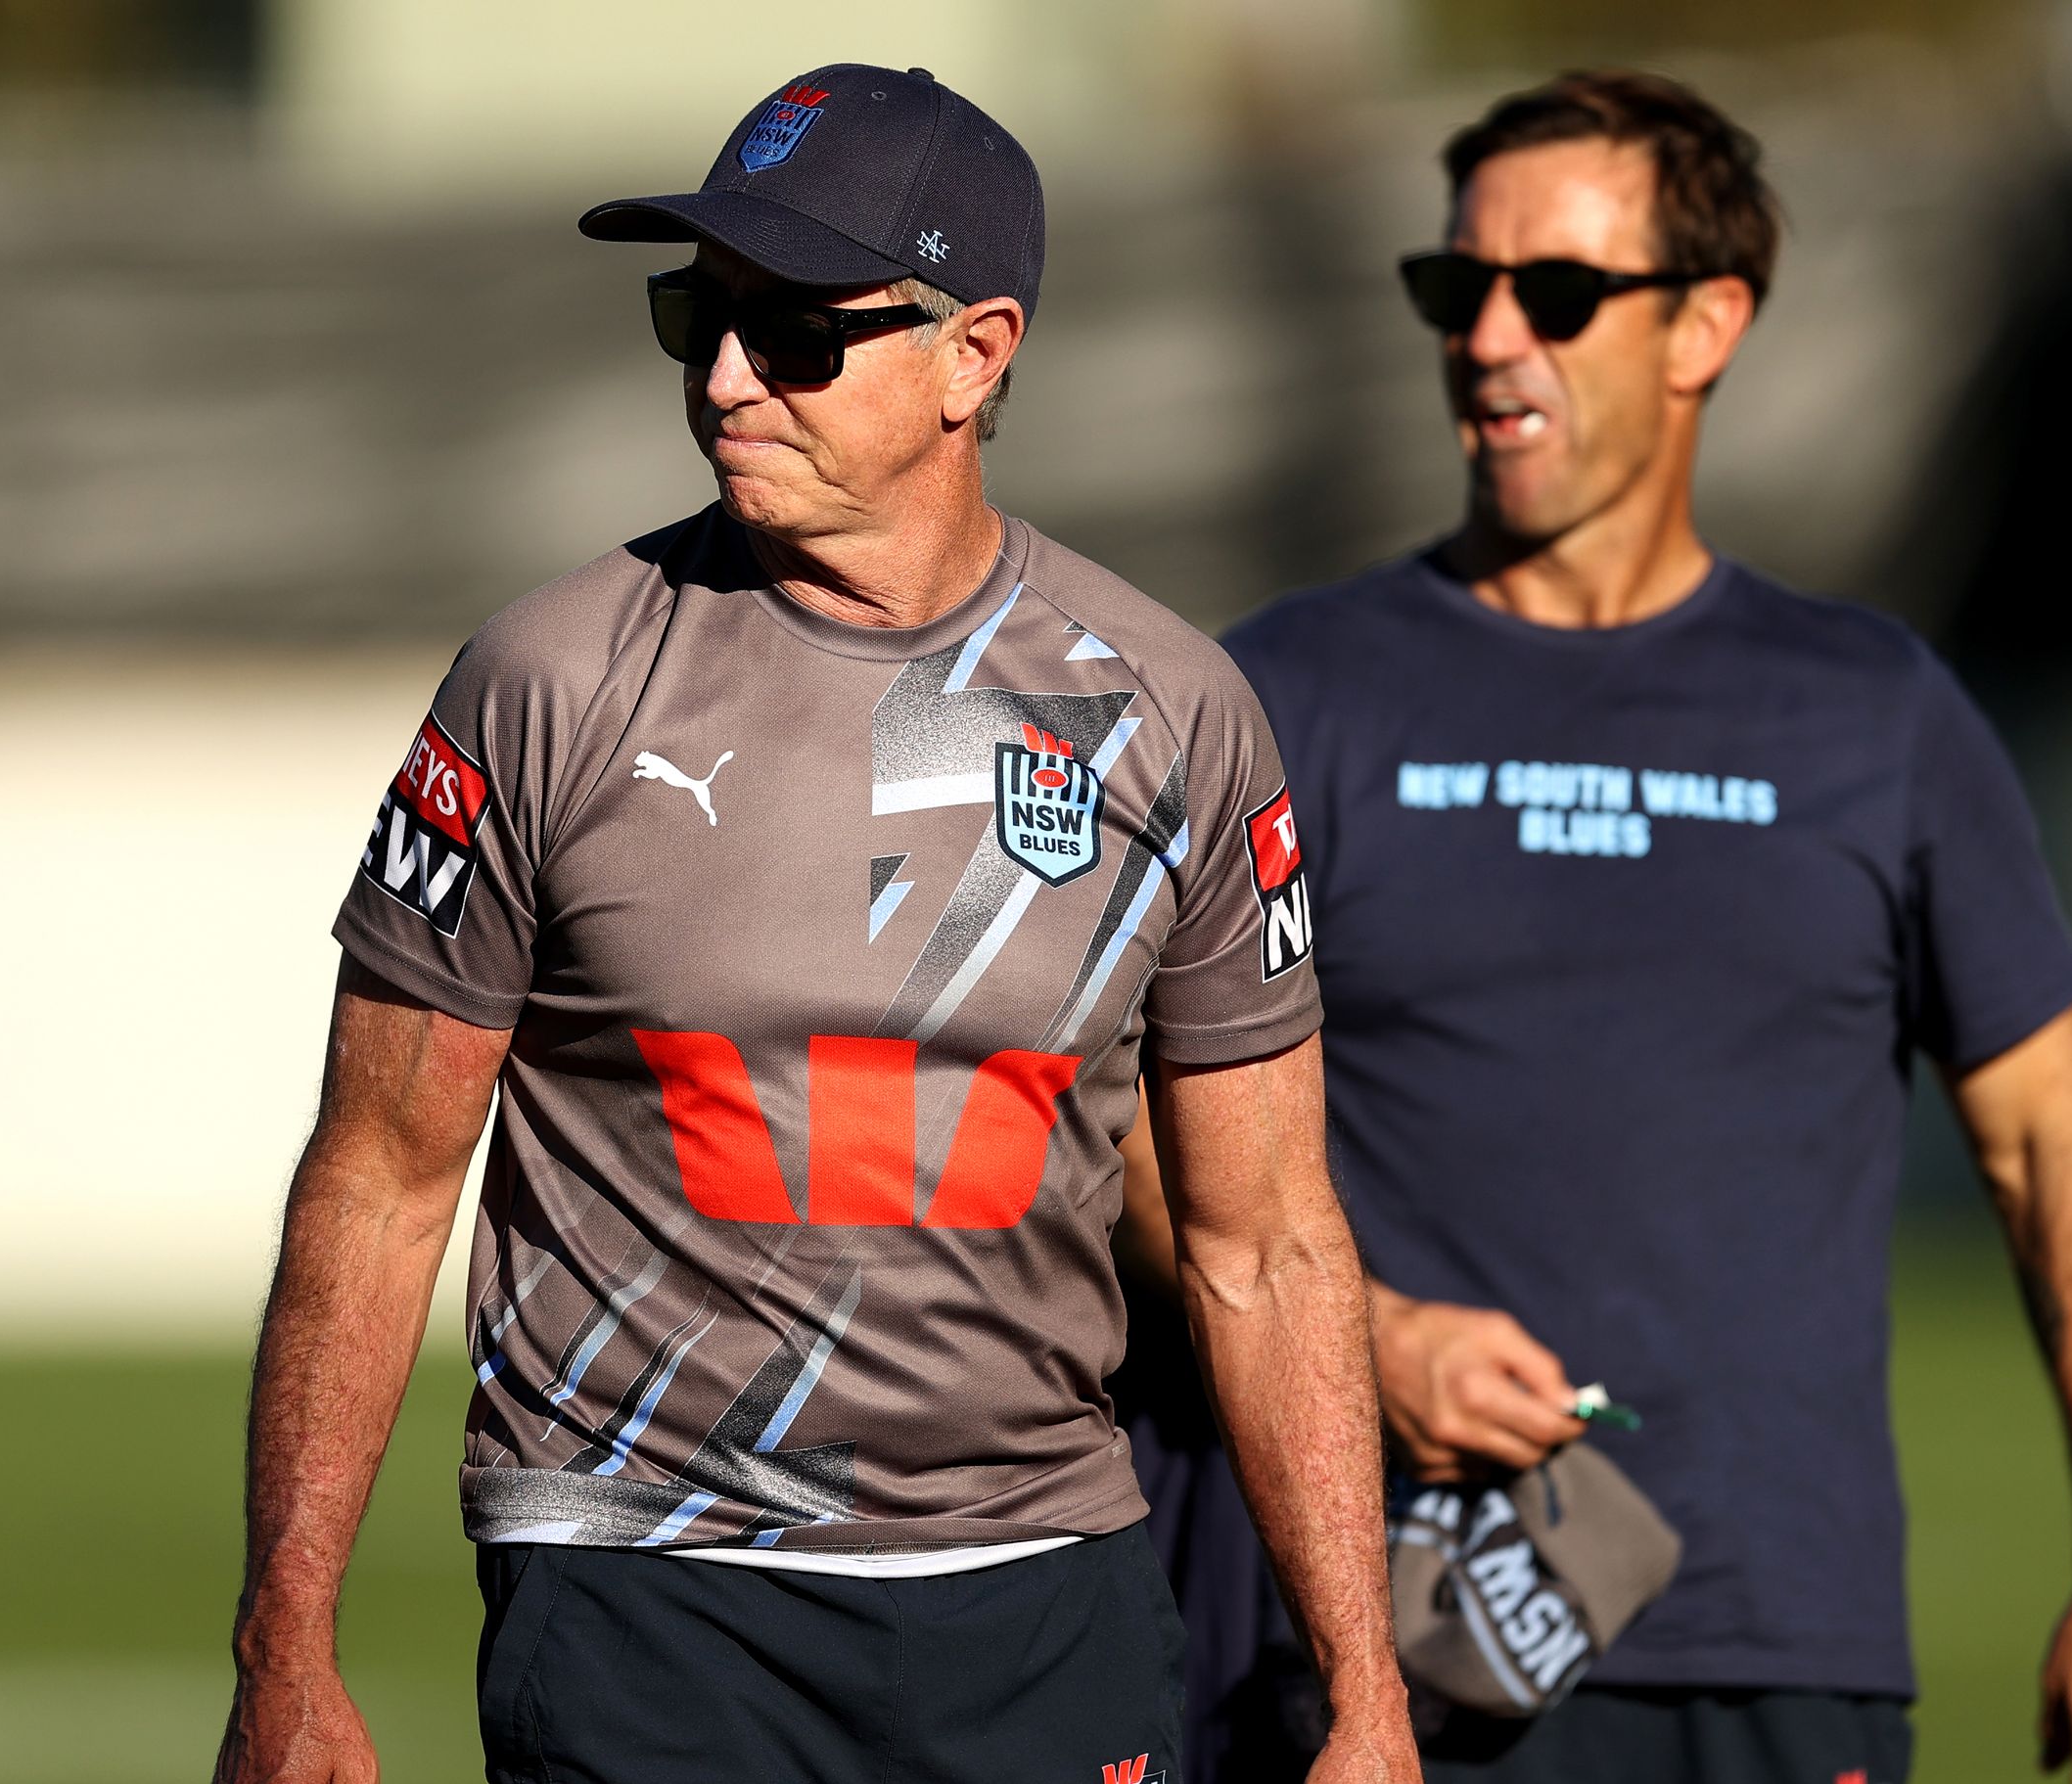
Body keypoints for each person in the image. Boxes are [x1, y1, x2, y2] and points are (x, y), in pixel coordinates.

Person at [208, 64, 1415, 1784]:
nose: (721, 380)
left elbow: (1267, 1238)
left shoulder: (1177, 710)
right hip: (642, 1598)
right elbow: (381, 1180)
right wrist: (286, 1643)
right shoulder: (544, 681)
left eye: (794, 336)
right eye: (698, 315)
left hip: (1042, 1605)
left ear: (974, 354)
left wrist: (1363, 1696)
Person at [1121, 69, 2072, 1784]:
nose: (1486, 337)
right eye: (1450, 288)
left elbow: (2059, 1145)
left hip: (1778, 1640)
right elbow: (1119, 1125)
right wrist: (1375, 1339)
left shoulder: (1878, 715)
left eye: (1552, 292)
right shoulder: (1285, 694)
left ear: (1708, 325)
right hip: (1369, 1647)